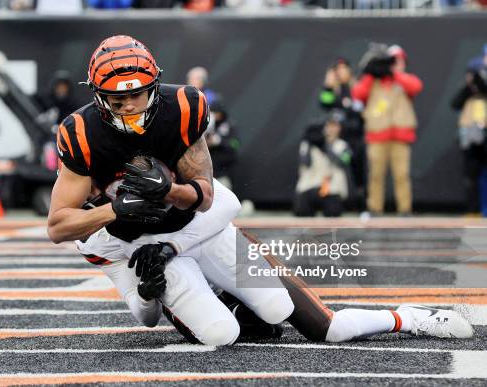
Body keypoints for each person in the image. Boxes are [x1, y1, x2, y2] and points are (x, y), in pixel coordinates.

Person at [48, 35, 472, 345]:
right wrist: (118, 209)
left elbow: (208, 197)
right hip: (132, 245)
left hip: (190, 227)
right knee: (216, 332)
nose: (129, 108)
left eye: (138, 96)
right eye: (116, 100)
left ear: (154, 85)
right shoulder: (82, 133)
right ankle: (217, 304)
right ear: (97, 96)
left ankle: (408, 317)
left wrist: (169, 192)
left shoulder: (183, 107)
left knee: (309, 320)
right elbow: (58, 226)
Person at [352, 44, 423, 216]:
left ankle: (405, 209)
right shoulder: (373, 81)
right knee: (376, 175)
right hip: (377, 136)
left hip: (400, 136)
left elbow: (417, 86)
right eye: (392, 61)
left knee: (402, 175)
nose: (396, 64)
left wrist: (394, 74)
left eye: (398, 61)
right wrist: (371, 73)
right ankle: (375, 208)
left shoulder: (404, 80)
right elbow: (357, 94)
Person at [320, 58, 365, 207]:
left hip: (354, 140)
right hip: (338, 141)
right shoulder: (333, 90)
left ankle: (362, 207)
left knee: (358, 173)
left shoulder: (356, 87)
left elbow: (359, 114)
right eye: (337, 69)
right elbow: (325, 105)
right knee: (335, 170)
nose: (340, 71)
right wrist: (328, 85)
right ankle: (334, 204)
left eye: (343, 68)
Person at [294, 110, 352, 217]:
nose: (332, 129)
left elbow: (342, 162)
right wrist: (311, 143)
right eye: (329, 125)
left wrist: (325, 147)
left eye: (335, 125)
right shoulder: (308, 143)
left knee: (333, 213)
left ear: (340, 128)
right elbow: (305, 164)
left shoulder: (344, 146)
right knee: (301, 212)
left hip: (331, 188)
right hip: (309, 187)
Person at [451, 45, 487, 214]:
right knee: (471, 174)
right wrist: (470, 86)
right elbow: (455, 103)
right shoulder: (469, 89)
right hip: (472, 132)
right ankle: (473, 210)